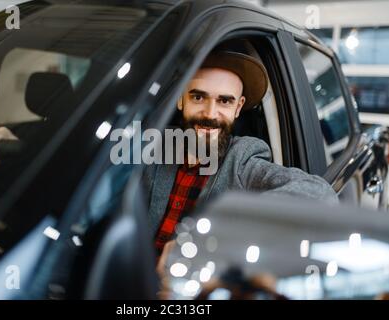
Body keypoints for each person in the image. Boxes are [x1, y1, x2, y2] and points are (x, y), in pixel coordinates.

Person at [142, 50, 339, 255]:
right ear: (181, 99)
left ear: (238, 107)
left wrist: (211, 236)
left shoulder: (243, 159)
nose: (210, 114)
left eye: (225, 101)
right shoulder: (154, 145)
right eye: (198, 97)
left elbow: (320, 194)